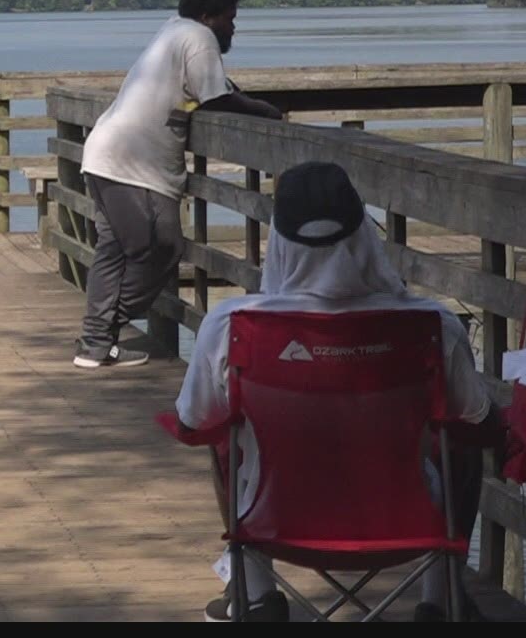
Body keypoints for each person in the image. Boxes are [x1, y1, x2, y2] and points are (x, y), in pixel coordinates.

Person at [177, 161, 499, 622]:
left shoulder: (233, 326)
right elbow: (482, 423)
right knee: (462, 436)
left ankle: (256, 594)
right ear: (363, 234)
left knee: (222, 434)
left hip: (277, 519)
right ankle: (441, 595)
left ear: (280, 243)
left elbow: (191, 422)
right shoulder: (431, 324)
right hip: (406, 519)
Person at [74, 0, 283, 369]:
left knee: (114, 250)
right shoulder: (198, 37)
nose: (233, 27)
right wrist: (264, 110)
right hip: (134, 164)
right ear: (208, 17)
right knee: (161, 247)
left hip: (104, 153)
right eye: (229, 18)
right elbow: (217, 99)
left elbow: (207, 90)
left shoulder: (172, 30)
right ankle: (98, 335)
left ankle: (96, 343)